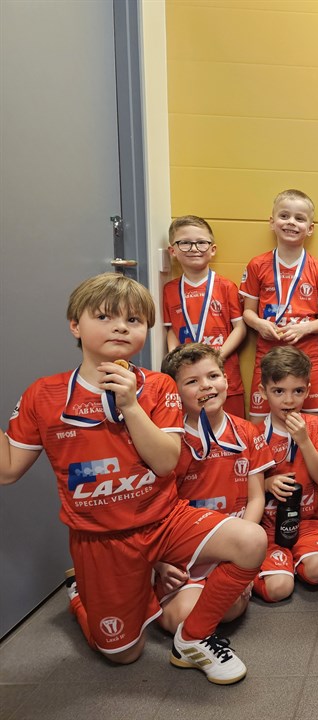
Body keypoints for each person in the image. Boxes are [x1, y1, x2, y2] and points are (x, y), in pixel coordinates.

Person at [0, 273, 266, 684]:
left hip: (165, 520)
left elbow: (165, 463)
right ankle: (82, 595)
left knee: (251, 540)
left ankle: (193, 640)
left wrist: (130, 404)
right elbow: (8, 470)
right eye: (105, 316)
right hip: (101, 539)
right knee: (124, 655)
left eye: (134, 320)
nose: (121, 327)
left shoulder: (159, 386)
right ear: (75, 325)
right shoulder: (44, 395)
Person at [155, 343, 273, 633]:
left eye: (213, 376)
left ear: (226, 380)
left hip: (232, 546)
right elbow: (155, 509)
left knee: (228, 611)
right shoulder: (168, 442)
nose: (206, 386)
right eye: (192, 381)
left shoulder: (247, 431)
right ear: (174, 393)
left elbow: (256, 498)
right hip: (186, 551)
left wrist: (244, 556)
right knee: (179, 620)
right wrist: (158, 563)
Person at [241, 189, 318, 418]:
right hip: (269, 353)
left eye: (299, 218)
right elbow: (247, 313)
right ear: (272, 222)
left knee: (313, 424)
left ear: (310, 228)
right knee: (259, 423)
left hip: (308, 355)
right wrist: (260, 324)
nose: (291, 222)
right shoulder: (257, 265)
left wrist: (305, 328)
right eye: (284, 216)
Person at [254, 346, 318, 602]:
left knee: (317, 570)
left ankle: (291, 561)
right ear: (263, 391)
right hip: (267, 527)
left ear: (308, 391)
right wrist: (267, 483)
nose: (289, 401)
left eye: (297, 391)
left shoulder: (314, 426)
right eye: (279, 391)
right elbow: (243, 489)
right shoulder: (254, 433)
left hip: (306, 522)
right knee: (279, 589)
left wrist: (304, 440)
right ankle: (270, 569)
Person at [163, 215, 247, 417]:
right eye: (185, 243)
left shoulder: (226, 286)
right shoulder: (170, 290)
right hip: (188, 377)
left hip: (225, 376)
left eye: (201, 242)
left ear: (213, 249)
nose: (194, 248)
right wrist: (175, 358)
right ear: (173, 251)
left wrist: (217, 356)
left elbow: (240, 328)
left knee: (232, 429)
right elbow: (171, 330)